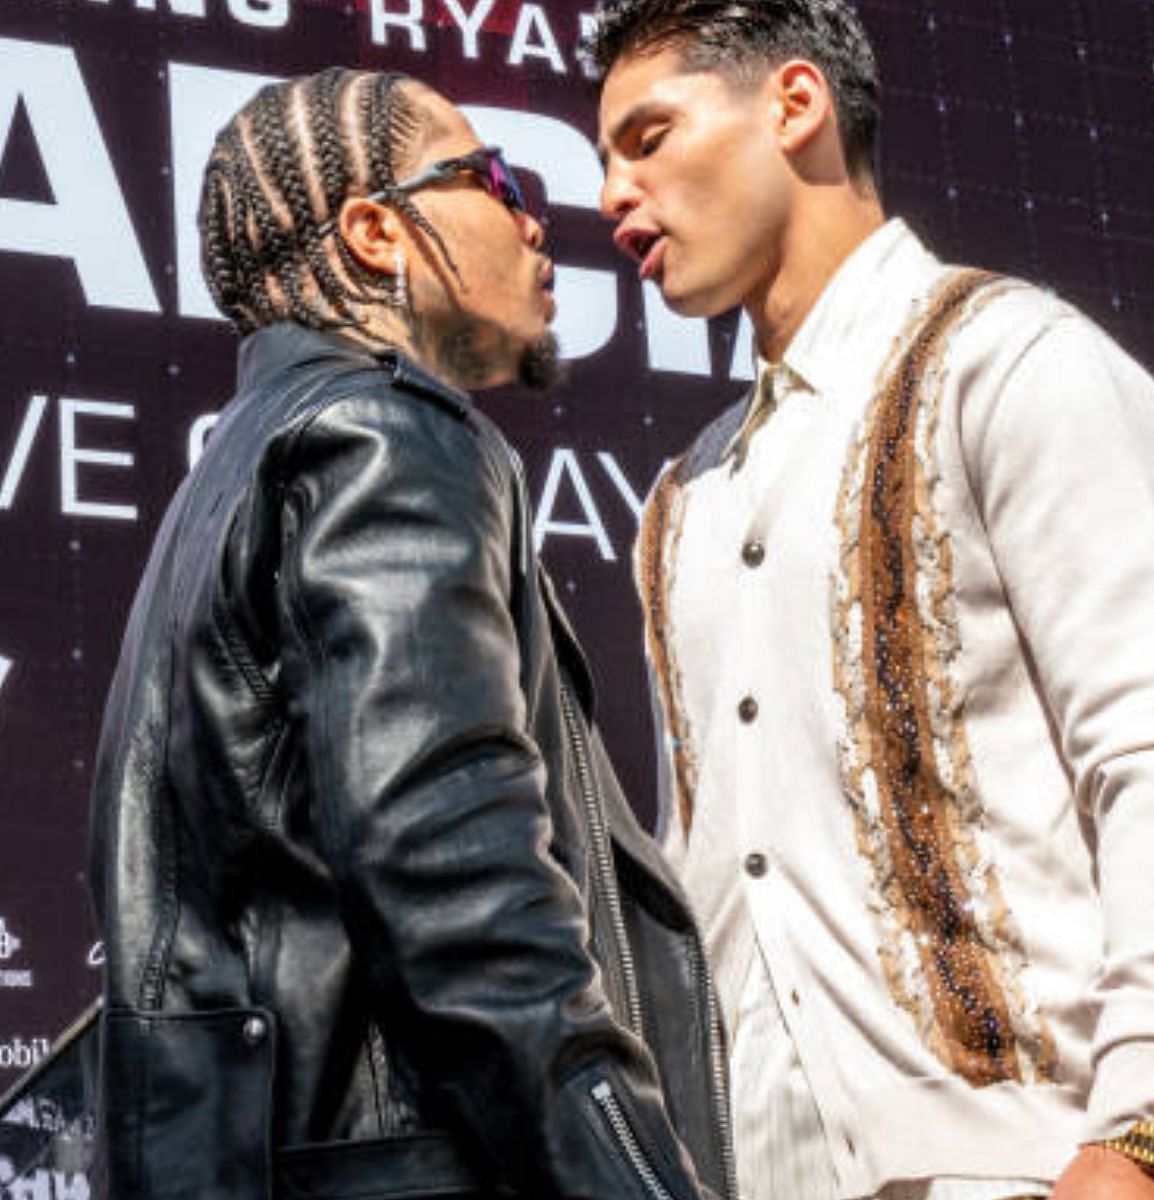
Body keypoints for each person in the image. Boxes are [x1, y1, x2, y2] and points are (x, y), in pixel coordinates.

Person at [586, 2, 1154, 1198]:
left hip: (1023, 1167)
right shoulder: (683, 496)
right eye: (603, 159)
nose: (610, 195)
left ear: (796, 106)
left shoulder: (1014, 365)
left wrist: (1149, 1133)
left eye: (646, 136)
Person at [87, 67, 731, 1200]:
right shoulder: (384, 435)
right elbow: (465, 903)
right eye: (491, 177)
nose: (538, 219)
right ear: (378, 232)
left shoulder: (239, 469)